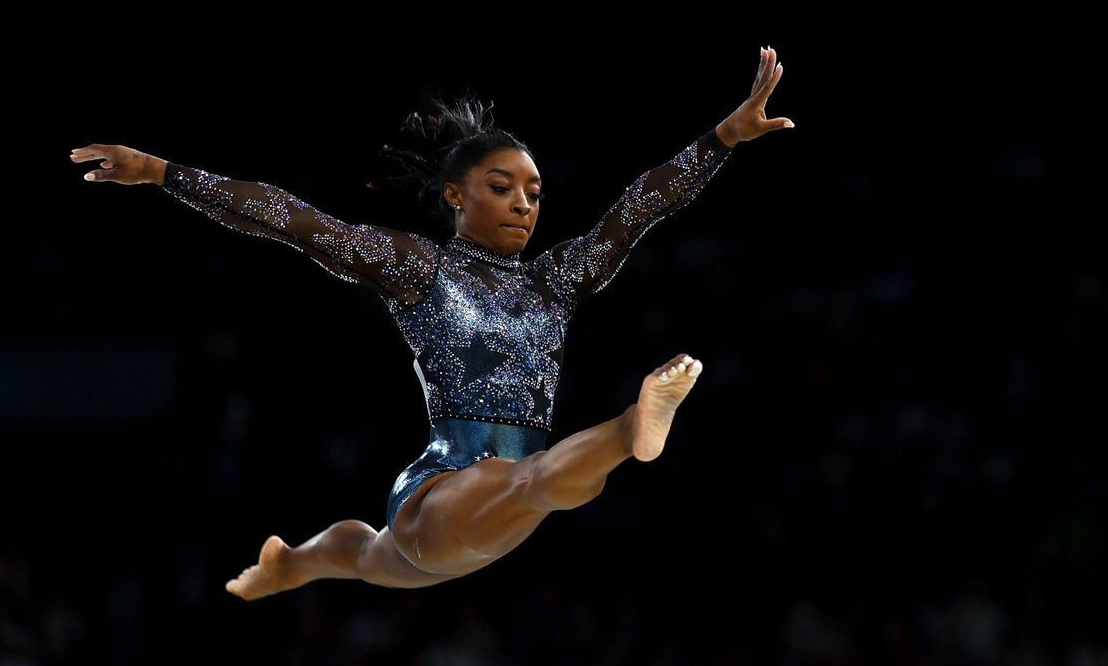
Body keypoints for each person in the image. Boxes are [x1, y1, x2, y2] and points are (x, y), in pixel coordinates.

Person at [69, 46, 794, 599]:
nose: (523, 203)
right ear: (454, 195)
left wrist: (723, 138)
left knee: (358, 554)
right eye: (501, 186)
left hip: (484, 524)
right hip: (443, 491)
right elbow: (295, 222)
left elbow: (638, 209)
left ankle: (288, 563)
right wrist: (164, 172)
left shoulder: (556, 279)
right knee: (551, 478)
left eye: (534, 193)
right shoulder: (420, 267)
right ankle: (632, 425)